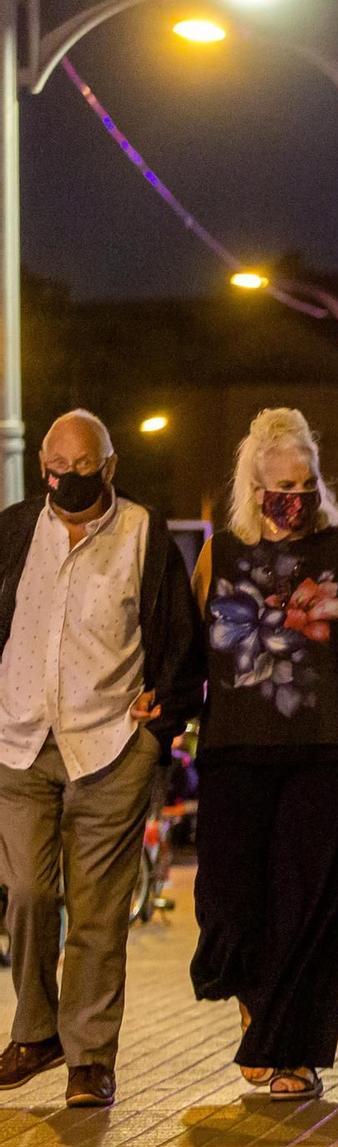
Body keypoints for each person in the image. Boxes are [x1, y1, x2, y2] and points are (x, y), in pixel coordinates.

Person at [189, 408, 338, 1102]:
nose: (294, 497)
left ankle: (291, 1050)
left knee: (308, 906)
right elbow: (186, 650)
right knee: (229, 899)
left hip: (334, 752)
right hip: (234, 754)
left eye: (305, 482)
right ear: (252, 486)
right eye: (281, 484)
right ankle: (260, 1007)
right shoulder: (219, 553)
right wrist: (156, 705)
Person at [0, 410, 204, 1109]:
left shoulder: (144, 535)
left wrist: (161, 721)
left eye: (84, 469)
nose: (68, 481)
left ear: (109, 466)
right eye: (56, 469)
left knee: (97, 910)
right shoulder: (15, 528)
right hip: (19, 742)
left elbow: (183, 641)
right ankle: (35, 1029)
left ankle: (89, 1056)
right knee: (27, 891)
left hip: (111, 746)